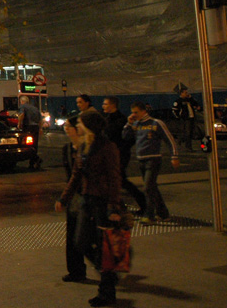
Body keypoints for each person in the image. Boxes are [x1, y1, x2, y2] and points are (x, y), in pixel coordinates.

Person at [55, 110, 124, 307]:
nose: (78, 126)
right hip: (86, 200)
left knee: (106, 247)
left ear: (89, 126)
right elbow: (76, 176)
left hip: (103, 202)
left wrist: (114, 206)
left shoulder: (107, 147)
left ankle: (107, 291)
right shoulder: (84, 146)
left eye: (81, 123)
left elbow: (114, 178)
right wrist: (64, 198)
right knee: (81, 242)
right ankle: (107, 270)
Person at [123, 101, 179, 224]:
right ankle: (163, 213)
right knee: (152, 188)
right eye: (132, 112)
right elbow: (126, 137)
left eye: (136, 112)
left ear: (144, 111)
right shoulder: (136, 124)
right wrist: (129, 123)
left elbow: (169, 139)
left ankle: (149, 215)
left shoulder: (156, 123)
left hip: (153, 159)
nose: (134, 115)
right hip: (141, 159)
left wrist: (174, 156)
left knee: (148, 187)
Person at [100, 96, 147, 214]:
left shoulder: (121, 120)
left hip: (120, 155)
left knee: (120, 180)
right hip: (111, 155)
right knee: (116, 181)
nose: (103, 106)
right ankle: (121, 205)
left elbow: (128, 138)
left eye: (105, 104)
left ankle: (142, 203)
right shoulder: (107, 119)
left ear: (113, 105)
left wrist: (119, 151)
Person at [60, 115, 85, 282]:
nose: (66, 129)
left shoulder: (88, 147)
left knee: (86, 236)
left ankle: (104, 269)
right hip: (74, 197)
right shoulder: (67, 149)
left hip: (89, 196)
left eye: (69, 126)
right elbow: (72, 176)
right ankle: (76, 271)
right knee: (72, 235)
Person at [16, 95, 43, 169]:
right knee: (34, 145)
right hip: (36, 127)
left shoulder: (22, 107)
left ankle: (36, 159)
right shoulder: (35, 108)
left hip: (28, 127)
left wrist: (19, 124)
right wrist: (40, 128)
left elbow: (22, 115)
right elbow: (41, 120)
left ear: (22, 101)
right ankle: (32, 162)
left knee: (27, 145)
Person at [172, 85, 201, 151]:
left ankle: (186, 144)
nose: (186, 94)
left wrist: (191, 98)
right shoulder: (178, 101)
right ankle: (187, 146)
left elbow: (196, 104)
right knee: (187, 133)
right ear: (181, 93)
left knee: (191, 132)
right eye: (185, 93)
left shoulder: (189, 100)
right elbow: (175, 110)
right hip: (185, 119)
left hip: (191, 118)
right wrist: (179, 117)